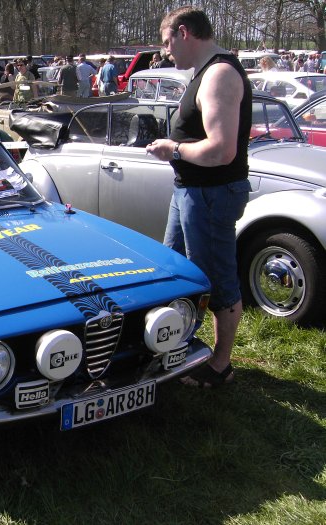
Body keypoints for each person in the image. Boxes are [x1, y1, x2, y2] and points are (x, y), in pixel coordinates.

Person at [145, 6, 252, 388]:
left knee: (216, 279)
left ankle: (219, 366)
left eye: (167, 42)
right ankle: (170, 346)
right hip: (192, 191)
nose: (166, 51)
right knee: (173, 269)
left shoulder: (219, 73)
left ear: (184, 32)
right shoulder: (203, 73)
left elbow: (222, 151)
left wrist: (173, 149)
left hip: (211, 193)